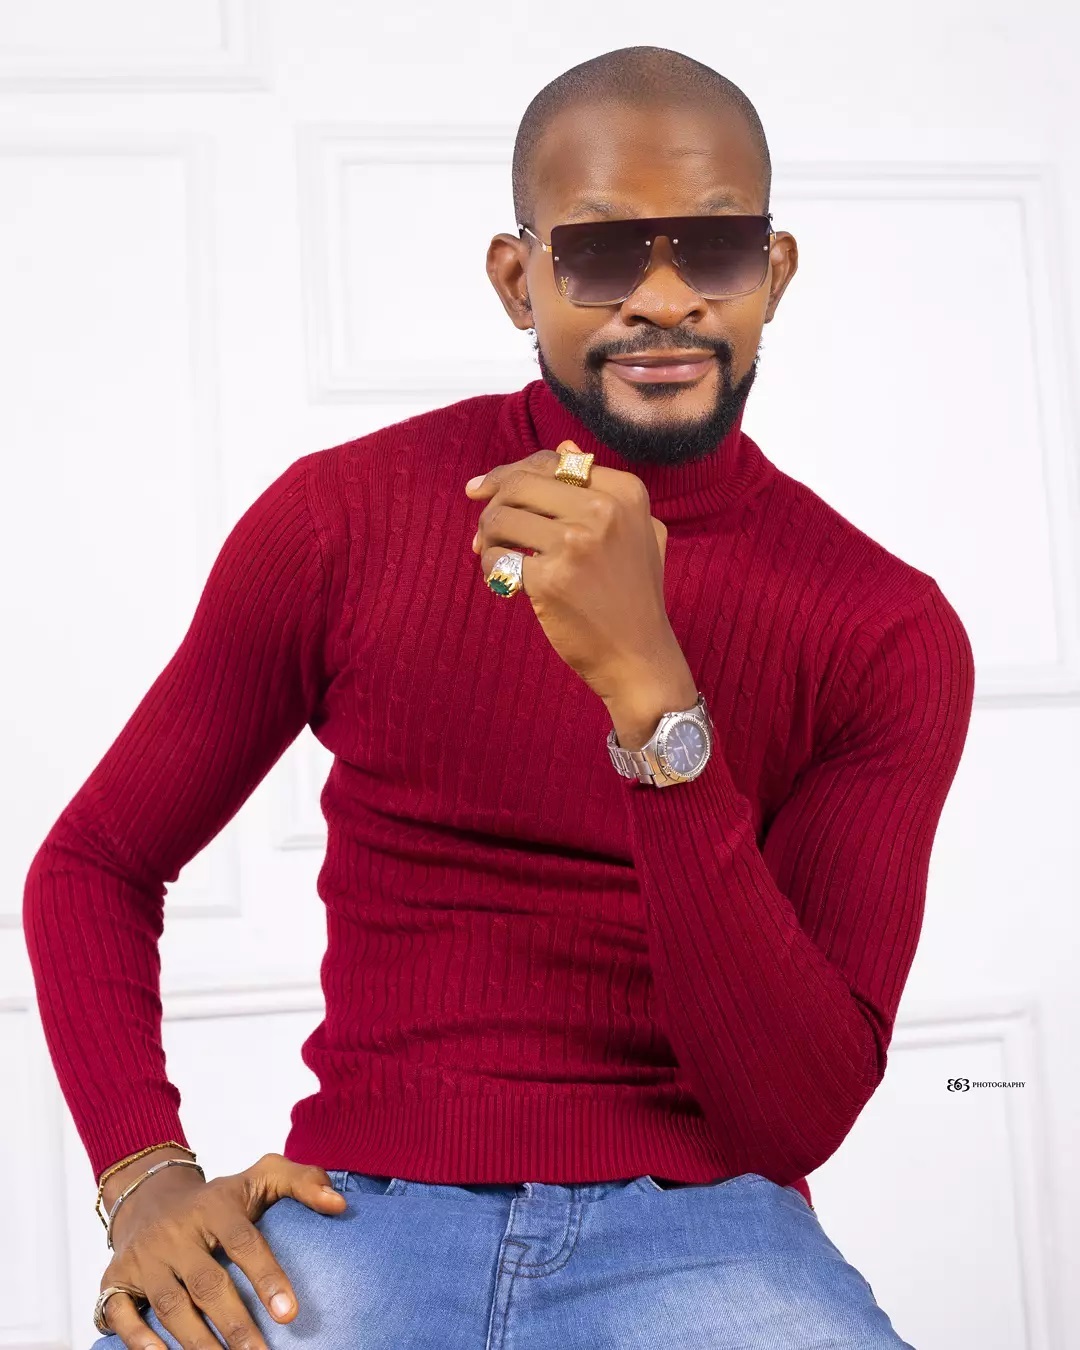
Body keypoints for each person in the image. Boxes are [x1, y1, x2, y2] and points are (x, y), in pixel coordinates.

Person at [22, 44, 973, 1350]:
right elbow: (95, 863)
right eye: (601, 254)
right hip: (358, 1215)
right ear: (518, 280)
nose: (664, 299)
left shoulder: (882, 628)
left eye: (714, 249)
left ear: (775, 273)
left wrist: (652, 697)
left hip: (707, 1234)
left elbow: (793, 1115)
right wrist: (145, 1175)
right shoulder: (344, 519)